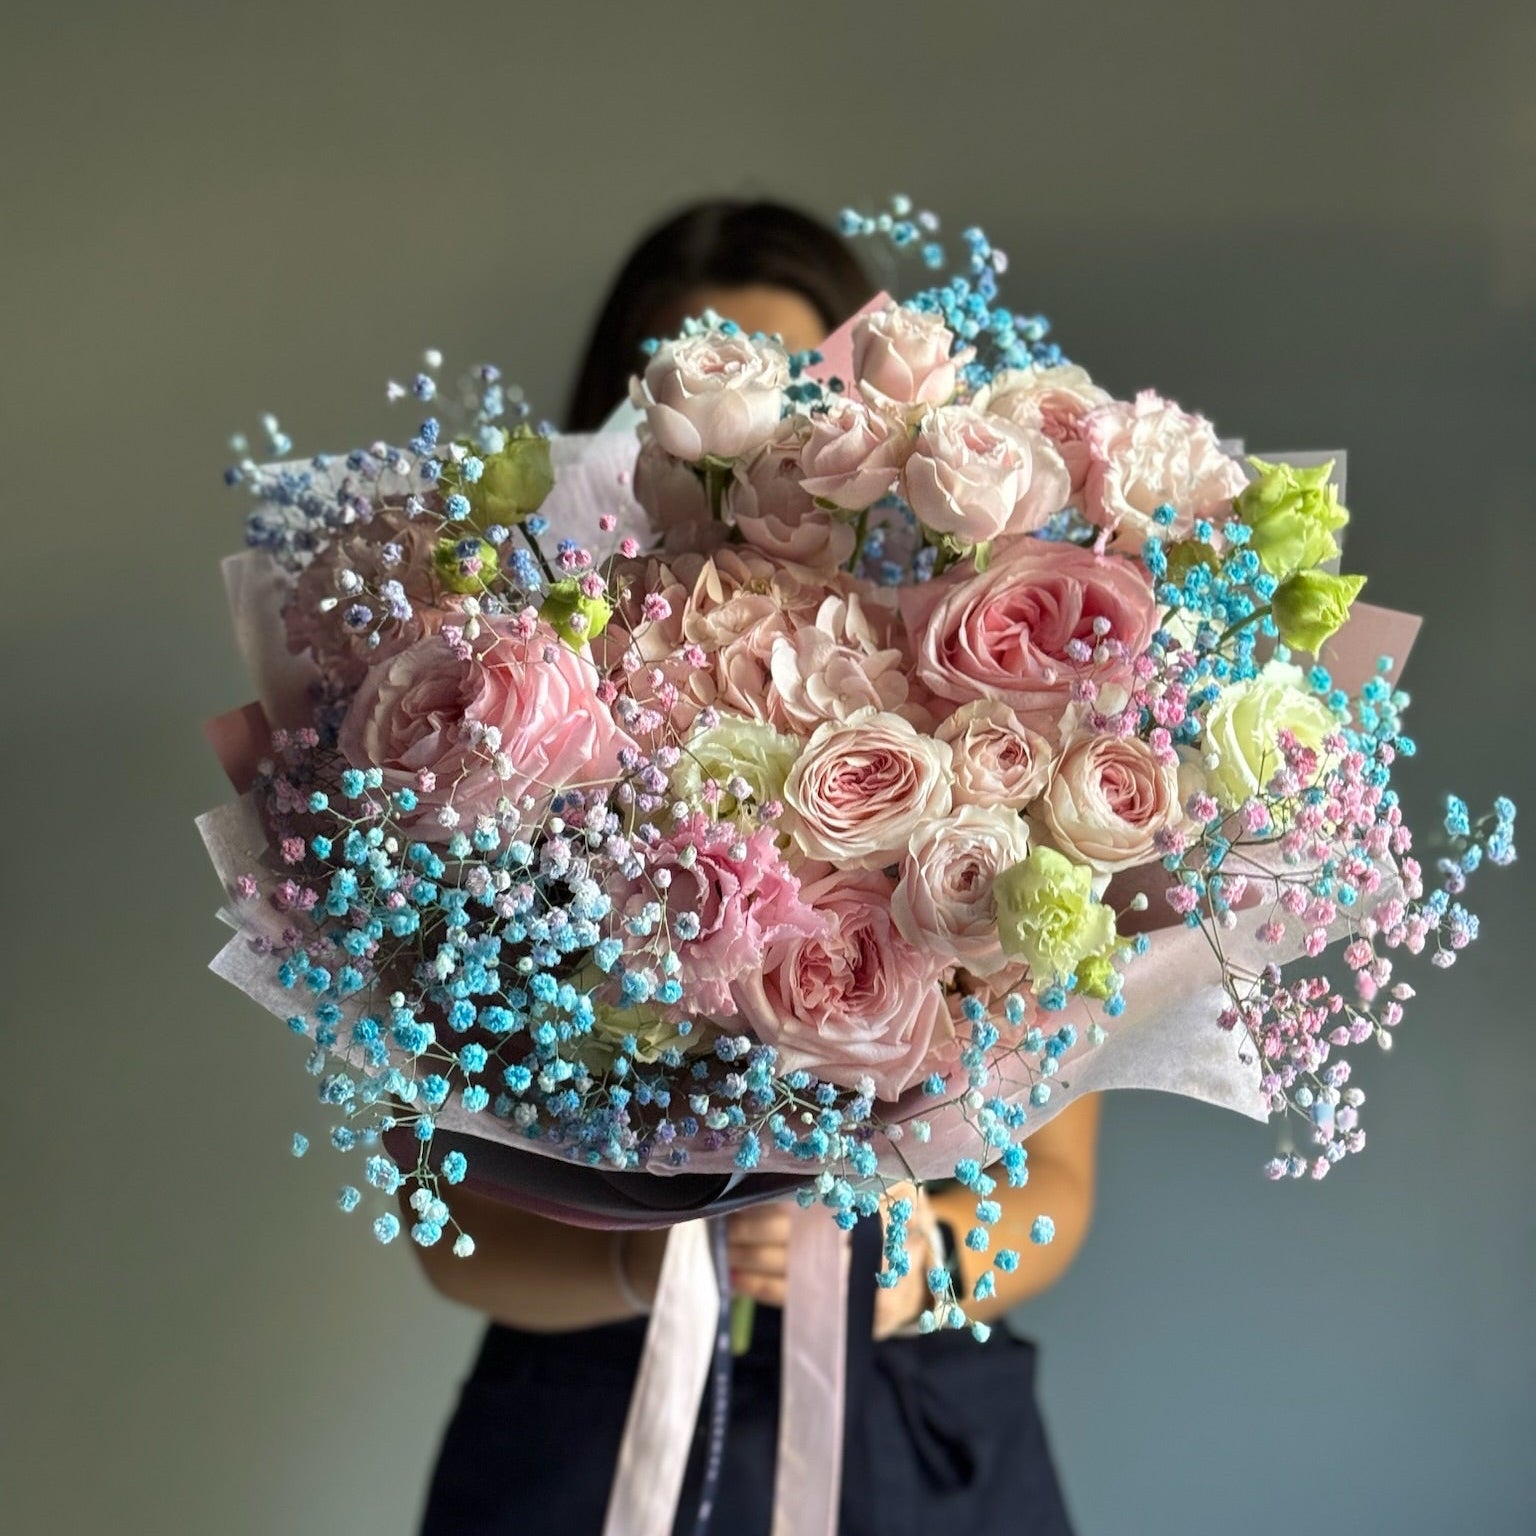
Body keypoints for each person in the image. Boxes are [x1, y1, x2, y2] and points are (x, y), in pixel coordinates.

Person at [410, 199, 1100, 1536]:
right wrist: (654, 1262)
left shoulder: (999, 758)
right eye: (685, 423)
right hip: (589, 1448)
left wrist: (915, 1263)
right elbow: (448, 1219)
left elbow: (1058, 1192)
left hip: (920, 1443)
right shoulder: (495, 767)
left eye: (788, 415)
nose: (739, 471)